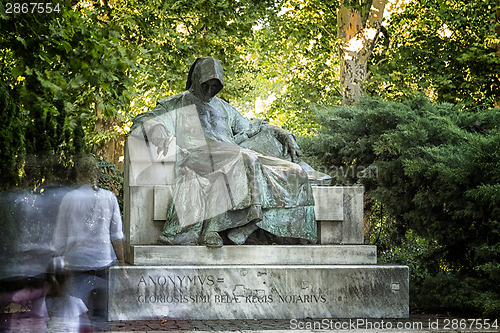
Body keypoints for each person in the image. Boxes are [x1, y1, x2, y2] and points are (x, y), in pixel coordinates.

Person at [131, 57, 318, 247]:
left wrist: (283, 133)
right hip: (199, 156)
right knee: (245, 157)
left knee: (294, 171)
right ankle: (238, 222)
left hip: (232, 154)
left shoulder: (223, 107)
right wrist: (156, 128)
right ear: (196, 79)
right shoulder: (176, 103)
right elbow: (142, 120)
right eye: (206, 84)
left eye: (215, 85)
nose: (210, 90)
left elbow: (253, 125)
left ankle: (255, 228)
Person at [51, 155, 125, 331]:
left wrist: (54, 264)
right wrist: (121, 264)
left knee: (77, 314)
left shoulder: (69, 198)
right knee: (100, 315)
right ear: (98, 175)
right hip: (102, 263)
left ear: (78, 174)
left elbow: (60, 237)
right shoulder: (109, 197)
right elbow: (116, 235)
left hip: (75, 265)